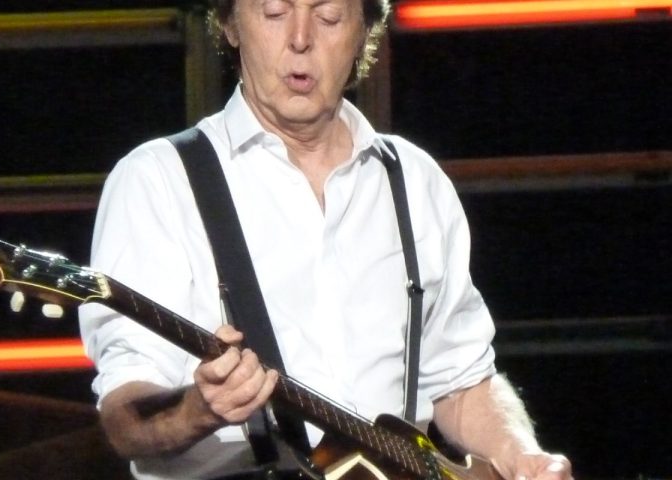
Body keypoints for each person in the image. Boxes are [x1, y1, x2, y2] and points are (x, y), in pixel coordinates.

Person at [78, 1, 573, 479]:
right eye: (275, 12)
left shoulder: (413, 179)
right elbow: (125, 417)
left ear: (365, 30)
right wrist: (197, 410)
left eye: (329, 15)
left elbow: (461, 382)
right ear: (230, 23)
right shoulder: (158, 180)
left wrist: (523, 456)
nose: (300, 38)